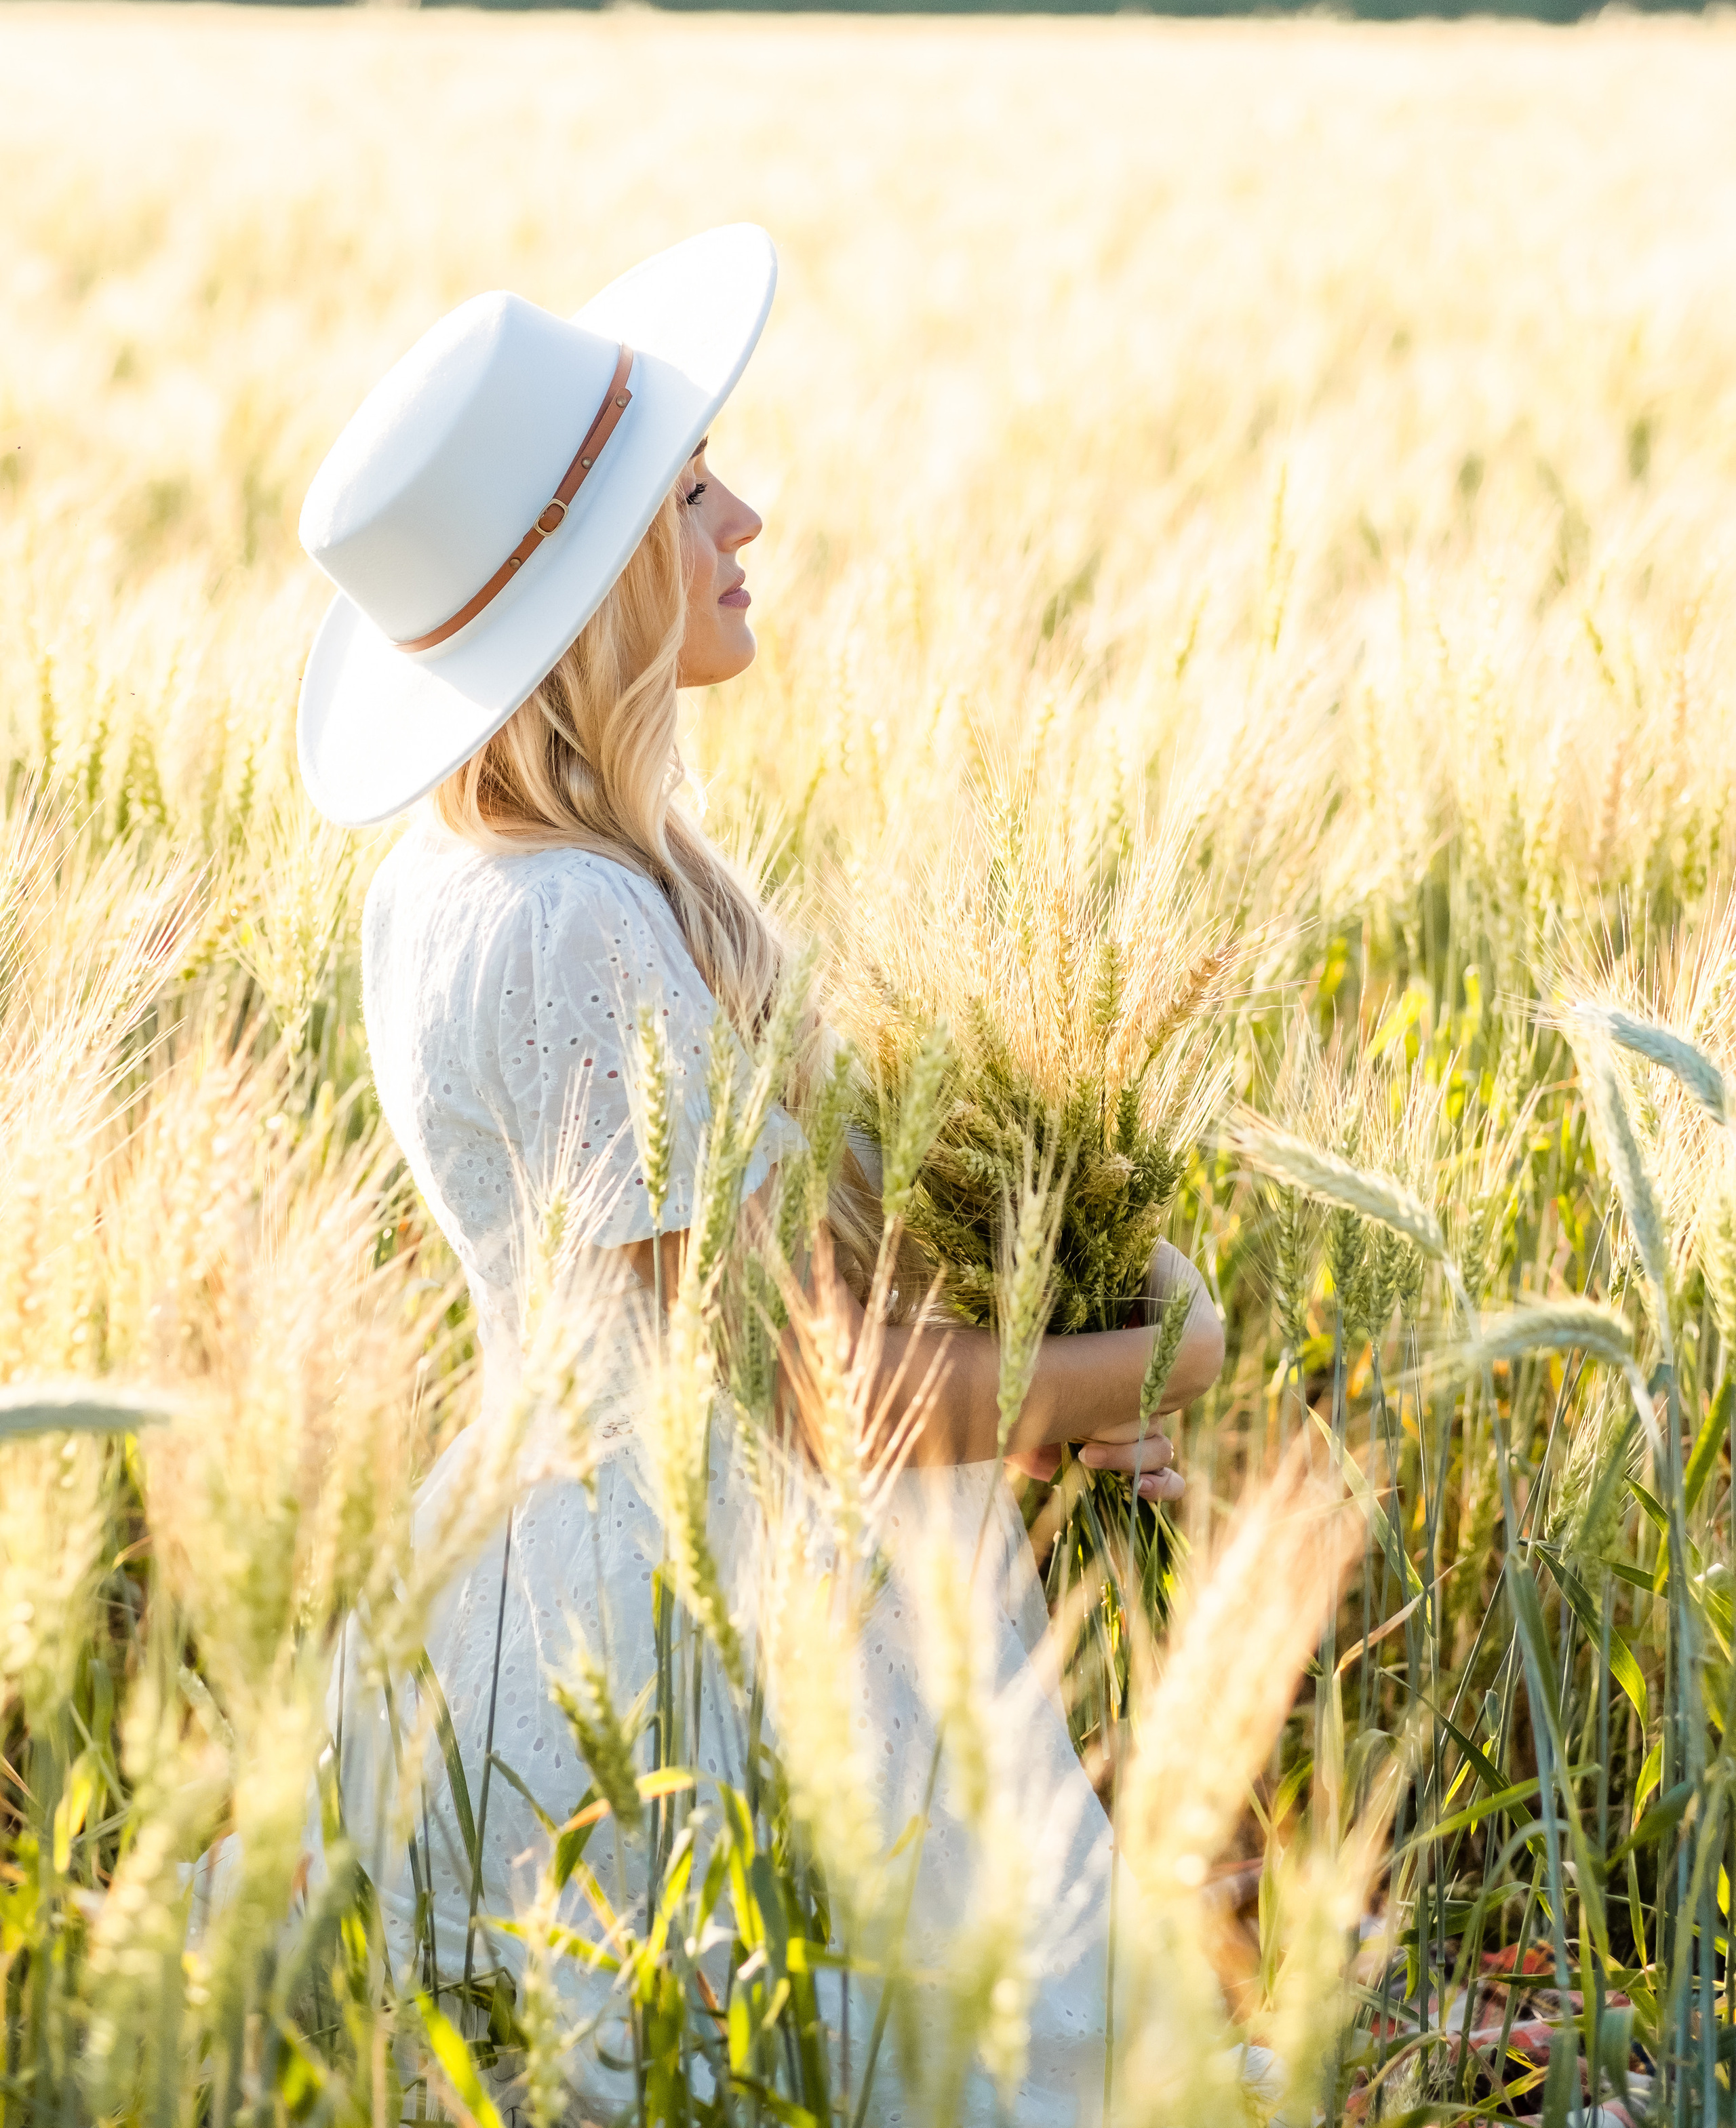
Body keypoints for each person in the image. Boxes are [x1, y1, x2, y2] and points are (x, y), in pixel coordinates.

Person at [296, 226, 1224, 2122]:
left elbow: (775, 1307)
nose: (749, 513)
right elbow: (825, 1396)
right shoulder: (581, 931)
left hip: (555, 1563)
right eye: (695, 485)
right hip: (703, 1645)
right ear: (597, 572)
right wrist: (1161, 1359)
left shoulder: (472, 889)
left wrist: (1037, 1397)